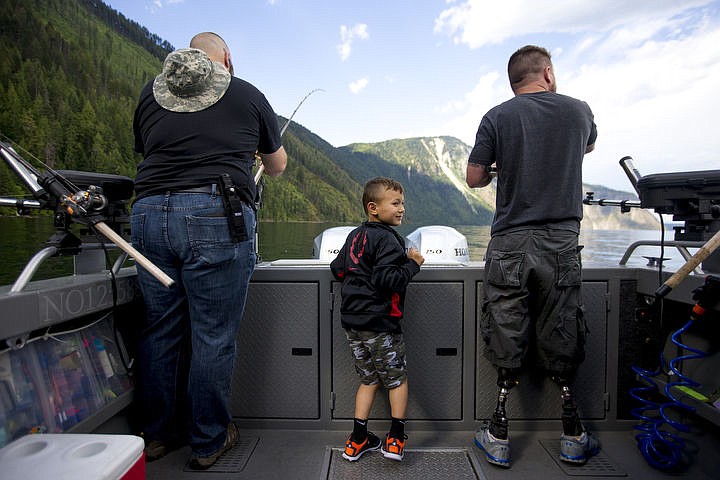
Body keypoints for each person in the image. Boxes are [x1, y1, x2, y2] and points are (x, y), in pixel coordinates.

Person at [131, 32, 287, 470]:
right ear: (227, 59)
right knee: (213, 334)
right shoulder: (245, 93)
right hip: (214, 214)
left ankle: (158, 435)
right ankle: (207, 441)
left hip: (147, 215)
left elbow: (148, 151)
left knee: (160, 330)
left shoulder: (150, 93)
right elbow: (276, 167)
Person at [466, 45, 599, 468]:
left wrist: (498, 167)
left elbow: (473, 177)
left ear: (513, 81)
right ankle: (573, 435)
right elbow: (588, 146)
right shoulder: (578, 111)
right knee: (562, 325)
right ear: (548, 72)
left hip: (510, 242)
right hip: (561, 241)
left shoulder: (497, 116)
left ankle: (499, 435)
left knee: (506, 324)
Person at [330, 177, 425, 462]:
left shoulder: (355, 236)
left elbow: (337, 269)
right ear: (374, 208)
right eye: (395, 203)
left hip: (353, 324)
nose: (401, 209)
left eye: (403, 204)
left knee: (368, 380)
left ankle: (357, 439)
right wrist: (413, 264)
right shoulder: (387, 239)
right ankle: (395, 438)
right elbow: (389, 281)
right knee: (396, 380)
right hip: (380, 324)